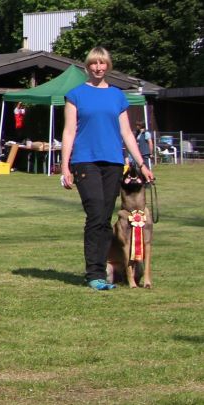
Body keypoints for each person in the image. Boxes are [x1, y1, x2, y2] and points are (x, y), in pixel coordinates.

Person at [60, 47, 153, 291]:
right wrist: (64, 166)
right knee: (96, 214)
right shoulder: (75, 95)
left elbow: (127, 133)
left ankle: (104, 270)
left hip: (113, 163)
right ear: (87, 67)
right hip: (85, 161)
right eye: (94, 63)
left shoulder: (117, 96)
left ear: (108, 66)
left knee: (105, 216)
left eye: (102, 63)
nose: (98, 68)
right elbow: (69, 132)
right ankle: (95, 274)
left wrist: (142, 164)